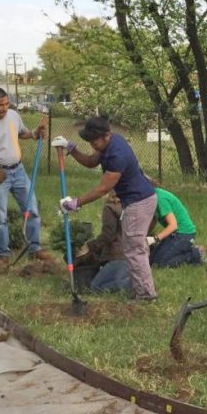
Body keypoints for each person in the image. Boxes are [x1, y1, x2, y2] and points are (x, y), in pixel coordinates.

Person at [53, 115, 158, 302]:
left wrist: (76, 202)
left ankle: (146, 295)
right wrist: (72, 148)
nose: (93, 145)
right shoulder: (109, 143)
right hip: (137, 200)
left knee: (134, 249)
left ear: (107, 135)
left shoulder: (117, 154)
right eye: (90, 141)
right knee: (135, 247)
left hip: (139, 202)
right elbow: (92, 162)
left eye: (95, 141)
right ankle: (141, 289)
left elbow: (103, 188)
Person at [0, 87, 55, 268]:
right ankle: (3, 255)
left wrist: (35, 134)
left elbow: (22, 133)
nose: (4, 108)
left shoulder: (13, 116)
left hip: (19, 171)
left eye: (6, 103)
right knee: (0, 217)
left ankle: (35, 248)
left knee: (32, 210)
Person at [83, 192, 130, 294]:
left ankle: (134, 285)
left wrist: (89, 247)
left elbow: (108, 235)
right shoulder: (133, 205)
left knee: (96, 287)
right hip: (136, 253)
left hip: (119, 256)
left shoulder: (110, 208)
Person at [149, 186, 207, 268]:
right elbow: (154, 219)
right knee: (151, 261)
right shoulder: (153, 197)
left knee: (160, 263)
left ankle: (196, 254)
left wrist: (154, 239)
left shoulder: (160, 198)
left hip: (184, 234)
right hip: (173, 235)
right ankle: (181, 250)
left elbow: (173, 226)